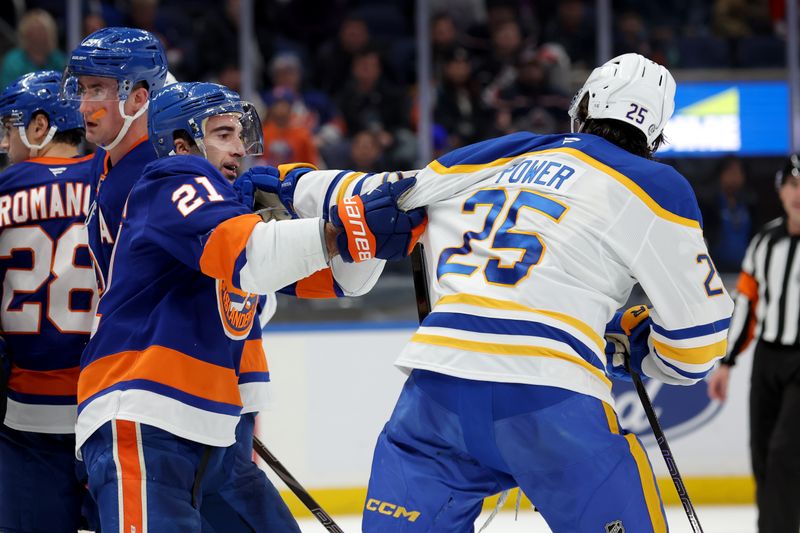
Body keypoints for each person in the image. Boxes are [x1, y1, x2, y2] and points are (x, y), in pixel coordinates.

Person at [271, 52, 733, 532]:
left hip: (436, 393)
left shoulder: (498, 151)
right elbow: (698, 345)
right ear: (656, 136)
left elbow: (377, 196)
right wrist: (641, 351)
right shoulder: (655, 184)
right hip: (553, 400)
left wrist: (282, 182)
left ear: (585, 105)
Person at [75, 81, 425, 531]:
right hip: (144, 417)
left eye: (240, 135)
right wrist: (345, 229)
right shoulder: (169, 180)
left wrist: (366, 226)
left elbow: (343, 280)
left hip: (213, 434)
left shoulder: (231, 215)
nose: (239, 148)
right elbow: (254, 257)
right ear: (181, 144)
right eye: (223, 134)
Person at [0, 71, 98, 533]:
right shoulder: (116, 182)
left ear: (39, 127)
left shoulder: (4, 190)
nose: (6, 141)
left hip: (27, 414)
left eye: (10, 126)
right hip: (112, 406)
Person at [708, 154, 800, 533]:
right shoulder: (764, 242)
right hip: (767, 359)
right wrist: (727, 362)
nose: (798, 193)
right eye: (792, 184)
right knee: (762, 454)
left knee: (783, 453)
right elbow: (747, 303)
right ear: (780, 190)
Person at [0, 10, 66, 88]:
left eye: (41, 30)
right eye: (34, 31)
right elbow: (7, 91)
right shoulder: (13, 61)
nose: (37, 36)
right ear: (25, 34)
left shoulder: (59, 60)